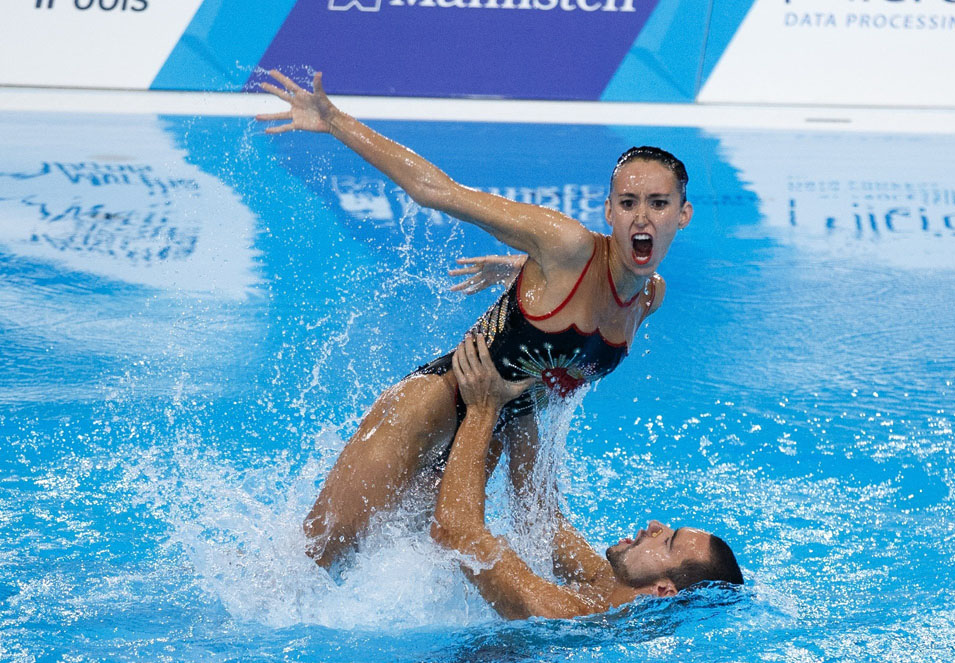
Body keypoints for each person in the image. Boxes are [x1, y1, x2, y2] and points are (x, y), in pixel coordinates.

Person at [256, 70, 694, 569]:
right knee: (308, 566)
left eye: (659, 204)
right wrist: (334, 121)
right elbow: (437, 191)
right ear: (609, 212)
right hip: (429, 410)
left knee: (391, 571)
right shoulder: (566, 244)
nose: (642, 217)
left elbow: (579, 313)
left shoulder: (647, 298)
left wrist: (519, 269)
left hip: (488, 432)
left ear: (682, 215)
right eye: (628, 203)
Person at [430, 334, 742, 620]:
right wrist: (524, 393)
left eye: (668, 541)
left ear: (663, 590)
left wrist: (483, 410)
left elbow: (454, 532)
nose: (655, 527)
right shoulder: (609, 587)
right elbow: (542, 522)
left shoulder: (561, 615)